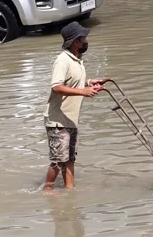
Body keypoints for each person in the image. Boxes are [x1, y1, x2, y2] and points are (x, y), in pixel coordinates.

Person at [42, 21, 110, 191]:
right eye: (83, 38)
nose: (86, 41)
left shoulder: (78, 60)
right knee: (58, 161)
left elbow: (74, 81)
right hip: (58, 120)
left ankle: (69, 191)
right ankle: (47, 190)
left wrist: (90, 82)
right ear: (75, 42)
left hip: (71, 120)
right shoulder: (62, 60)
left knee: (70, 159)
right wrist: (83, 92)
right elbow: (56, 87)